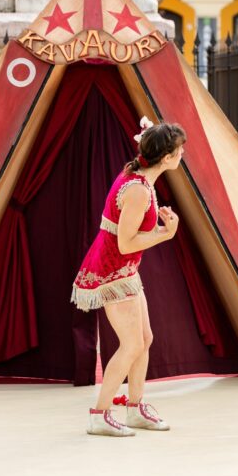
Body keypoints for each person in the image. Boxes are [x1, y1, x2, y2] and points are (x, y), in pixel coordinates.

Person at [71, 119, 185, 437]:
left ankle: (135, 409)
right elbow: (125, 243)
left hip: (123, 269)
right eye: (179, 150)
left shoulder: (139, 179)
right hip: (112, 270)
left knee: (143, 339)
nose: (182, 154)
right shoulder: (137, 190)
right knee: (132, 343)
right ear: (166, 157)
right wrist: (166, 234)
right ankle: (100, 413)